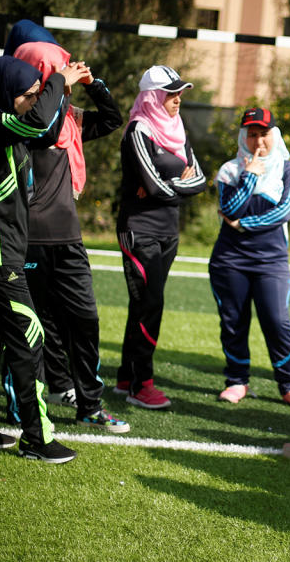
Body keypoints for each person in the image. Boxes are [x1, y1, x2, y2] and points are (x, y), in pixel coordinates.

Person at [0, 55, 89, 463]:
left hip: (1, 247)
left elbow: (47, 127)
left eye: (37, 94)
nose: (35, 100)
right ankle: (37, 438)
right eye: (28, 94)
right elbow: (37, 121)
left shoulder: (9, 126)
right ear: (4, 93)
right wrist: (54, 79)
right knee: (29, 335)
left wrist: (61, 91)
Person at [12, 33, 129, 433]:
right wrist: (58, 86)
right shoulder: (23, 119)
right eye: (53, 66)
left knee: (85, 320)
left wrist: (92, 84)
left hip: (68, 240)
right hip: (27, 242)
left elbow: (113, 119)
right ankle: (24, 406)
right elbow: (41, 129)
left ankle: (90, 406)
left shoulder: (70, 118)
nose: (63, 69)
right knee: (30, 327)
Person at [115, 65, 207, 408]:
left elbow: (199, 180)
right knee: (150, 304)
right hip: (139, 231)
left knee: (144, 303)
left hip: (169, 232)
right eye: (171, 93)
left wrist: (171, 187)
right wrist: (175, 185)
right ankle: (143, 385)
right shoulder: (139, 130)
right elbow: (152, 185)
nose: (178, 99)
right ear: (152, 96)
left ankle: (126, 378)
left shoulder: (177, 130)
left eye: (181, 92)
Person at [209, 107, 290, 409]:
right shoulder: (230, 170)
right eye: (251, 134)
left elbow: (284, 212)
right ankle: (236, 380)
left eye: (263, 134)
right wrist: (250, 177)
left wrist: (244, 226)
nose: (258, 141)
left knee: (277, 320)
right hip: (230, 259)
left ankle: (289, 384)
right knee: (233, 321)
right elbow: (229, 210)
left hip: (271, 261)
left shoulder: (288, 169)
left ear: (274, 135)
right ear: (244, 136)